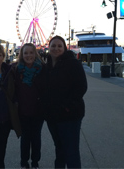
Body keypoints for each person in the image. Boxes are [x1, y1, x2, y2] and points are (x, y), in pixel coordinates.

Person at [42, 36, 87, 168]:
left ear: (64, 48)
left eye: (59, 46)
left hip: (70, 116)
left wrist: (67, 106)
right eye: (53, 46)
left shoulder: (73, 64)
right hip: (52, 116)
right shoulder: (47, 66)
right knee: (59, 149)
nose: (56, 48)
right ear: (49, 48)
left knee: (71, 151)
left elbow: (81, 87)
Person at [14, 43, 45, 169]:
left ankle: (35, 162)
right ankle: (24, 162)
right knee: (25, 137)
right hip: (22, 109)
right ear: (22, 55)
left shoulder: (42, 69)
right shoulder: (16, 69)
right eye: (26, 53)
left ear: (35, 54)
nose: (28, 55)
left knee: (36, 137)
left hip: (38, 109)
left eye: (31, 53)